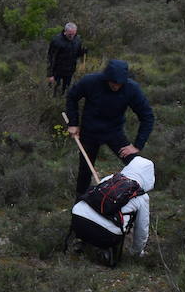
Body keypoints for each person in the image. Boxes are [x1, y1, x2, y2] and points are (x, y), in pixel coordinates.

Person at [65, 59, 155, 198]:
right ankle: (80, 201)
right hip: (90, 131)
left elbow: (147, 116)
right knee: (85, 169)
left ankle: (135, 195)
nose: (116, 86)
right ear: (107, 78)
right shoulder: (90, 82)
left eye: (119, 83)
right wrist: (73, 123)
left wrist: (137, 145)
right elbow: (72, 97)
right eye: (113, 82)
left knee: (134, 162)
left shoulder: (131, 89)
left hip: (114, 132)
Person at [70, 154, 155, 264]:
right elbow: (141, 229)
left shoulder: (111, 178)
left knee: (92, 218)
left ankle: (83, 241)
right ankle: (104, 250)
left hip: (77, 219)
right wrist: (137, 252)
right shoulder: (141, 197)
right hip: (106, 235)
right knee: (115, 227)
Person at [46, 23, 86, 96]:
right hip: (57, 71)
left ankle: (63, 102)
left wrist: (83, 52)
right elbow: (50, 58)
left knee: (66, 91)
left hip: (69, 70)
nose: (71, 36)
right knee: (53, 91)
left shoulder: (78, 39)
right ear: (65, 31)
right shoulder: (57, 41)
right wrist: (50, 74)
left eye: (73, 34)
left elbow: (77, 54)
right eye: (70, 34)